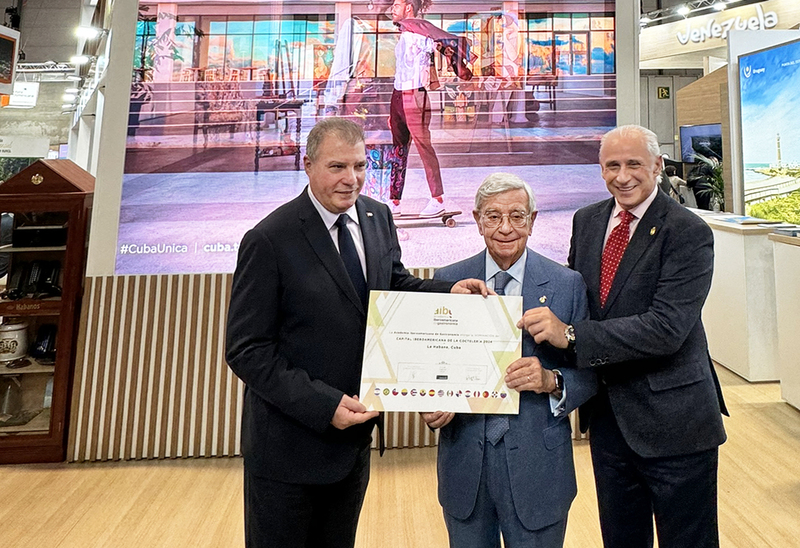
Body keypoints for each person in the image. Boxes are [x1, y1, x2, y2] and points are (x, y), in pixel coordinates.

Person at [225, 117, 488, 548]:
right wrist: (324, 405)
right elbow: (247, 349)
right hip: (288, 451)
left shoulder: (377, 216)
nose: (352, 180)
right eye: (337, 168)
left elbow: (393, 286)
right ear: (307, 166)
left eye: (361, 166)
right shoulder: (269, 238)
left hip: (353, 445)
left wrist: (449, 291)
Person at [521, 125, 728, 548]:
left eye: (634, 164)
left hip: (676, 422)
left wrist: (572, 336)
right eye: (611, 165)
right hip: (610, 419)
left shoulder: (688, 231)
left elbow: (667, 328)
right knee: (620, 538)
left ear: (658, 166)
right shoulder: (589, 219)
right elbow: (577, 297)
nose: (622, 176)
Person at [422, 173, 597, 548]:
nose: (505, 228)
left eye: (517, 216)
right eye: (493, 216)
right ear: (476, 219)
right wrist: (430, 401)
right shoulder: (448, 280)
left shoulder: (567, 284)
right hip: (465, 464)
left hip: (539, 465)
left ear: (533, 221)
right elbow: (430, 365)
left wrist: (551, 380)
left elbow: (592, 374)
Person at [388, 0, 471, 218]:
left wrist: (459, 66)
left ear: (409, 8)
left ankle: (438, 199)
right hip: (397, 95)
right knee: (398, 150)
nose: (392, 8)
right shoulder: (405, 33)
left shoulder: (423, 32)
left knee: (424, 148)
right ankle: (393, 201)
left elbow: (448, 45)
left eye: (397, 4)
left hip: (415, 95)